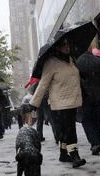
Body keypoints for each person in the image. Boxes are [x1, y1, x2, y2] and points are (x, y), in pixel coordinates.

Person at [30, 38, 86, 168]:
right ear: (58, 47)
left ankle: (62, 153)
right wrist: (34, 102)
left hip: (73, 100)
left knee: (65, 131)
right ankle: (74, 155)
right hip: (60, 102)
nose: (67, 47)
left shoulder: (71, 60)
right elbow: (43, 84)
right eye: (63, 45)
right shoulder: (51, 63)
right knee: (70, 130)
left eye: (68, 44)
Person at [76, 46, 100, 155]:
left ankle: (94, 142)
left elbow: (77, 80)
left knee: (86, 119)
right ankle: (97, 140)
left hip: (84, 95)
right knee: (96, 118)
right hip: (97, 94)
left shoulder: (77, 62)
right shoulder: (98, 60)